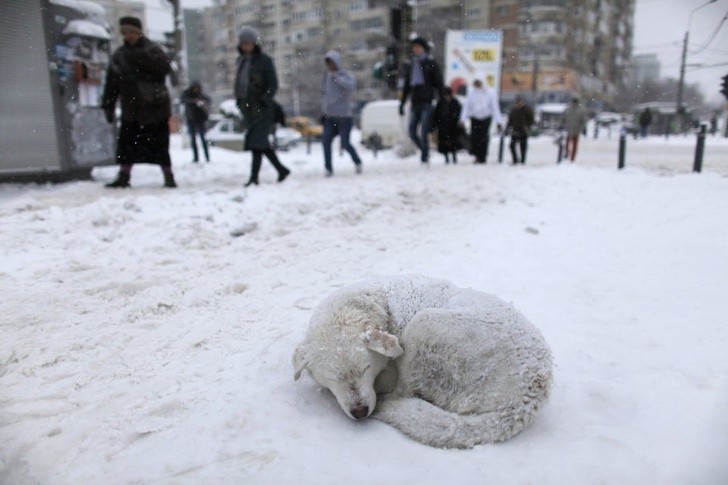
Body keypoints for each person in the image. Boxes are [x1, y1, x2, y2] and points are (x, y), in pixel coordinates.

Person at [102, 16, 176, 188]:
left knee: (160, 145)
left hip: (154, 107)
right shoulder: (119, 56)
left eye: (132, 32)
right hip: (132, 108)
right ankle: (124, 176)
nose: (129, 36)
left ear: (139, 32)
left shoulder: (153, 51)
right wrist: (109, 105)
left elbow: (164, 69)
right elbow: (111, 83)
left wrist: (138, 58)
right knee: (127, 145)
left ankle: (168, 175)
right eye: (125, 32)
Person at [234, 26, 290, 187]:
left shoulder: (264, 60)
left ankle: (254, 178)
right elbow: (240, 84)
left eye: (248, 43)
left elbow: (273, 84)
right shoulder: (241, 61)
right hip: (248, 107)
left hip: (262, 108)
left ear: (254, 43)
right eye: (243, 43)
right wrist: (240, 101)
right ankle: (281, 170)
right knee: (259, 144)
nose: (246, 46)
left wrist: (265, 99)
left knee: (256, 143)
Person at [399, 37, 443, 164]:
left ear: (424, 48)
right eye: (414, 47)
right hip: (415, 102)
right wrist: (402, 103)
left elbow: (438, 83)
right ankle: (425, 151)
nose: (416, 49)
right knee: (412, 131)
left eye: (418, 47)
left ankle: (424, 158)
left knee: (424, 131)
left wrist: (441, 100)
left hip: (427, 102)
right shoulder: (411, 65)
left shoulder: (430, 63)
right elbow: (407, 86)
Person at [321, 50, 363, 176]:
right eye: (328, 63)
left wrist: (336, 77)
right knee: (326, 141)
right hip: (330, 117)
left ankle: (358, 162)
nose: (330, 66)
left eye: (332, 63)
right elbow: (325, 94)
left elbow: (351, 87)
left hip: (344, 117)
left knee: (345, 144)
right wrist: (323, 111)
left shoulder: (346, 75)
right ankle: (328, 168)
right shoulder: (326, 76)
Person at [459, 78, 503, 164]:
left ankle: (482, 156)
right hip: (475, 117)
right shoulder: (472, 93)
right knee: (475, 137)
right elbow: (467, 106)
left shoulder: (490, 93)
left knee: (483, 137)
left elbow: (495, 107)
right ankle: (476, 155)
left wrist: (499, 121)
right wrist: (462, 119)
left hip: (486, 117)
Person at [180, 80, 211, 163]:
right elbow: (183, 100)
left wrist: (201, 102)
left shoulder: (201, 95)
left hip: (200, 119)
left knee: (202, 138)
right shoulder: (187, 94)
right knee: (193, 139)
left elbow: (208, 100)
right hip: (191, 119)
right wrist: (193, 101)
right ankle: (196, 158)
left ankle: (207, 157)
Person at [433, 87, 462, 164]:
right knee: (444, 143)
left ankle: (454, 156)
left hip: (453, 126)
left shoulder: (455, 102)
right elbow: (436, 115)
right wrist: (436, 126)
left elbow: (459, 113)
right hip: (443, 127)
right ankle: (446, 157)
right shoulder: (440, 104)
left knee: (453, 142)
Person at [505, 95, 534, 165]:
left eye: (519, 102)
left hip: (523, 131)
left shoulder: (527, 110)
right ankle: (515, 160)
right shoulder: (514, 110)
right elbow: (510, 120)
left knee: (523, 147)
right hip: (515, 131)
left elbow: (531, 119)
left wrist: (527, 126)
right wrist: (507, 128)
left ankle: (523, 161)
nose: (518, 104)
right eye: (517, 102)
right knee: (512, 145)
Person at [561, 96, 588, 162]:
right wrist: (584, 128)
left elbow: (563, 118)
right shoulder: (580, 110)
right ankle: (571, 157)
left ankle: (568, 155)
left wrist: (561, 125)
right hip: (575, 129)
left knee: (568, 143)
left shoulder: (568, 109)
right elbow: (584, 120)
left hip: (571, 128)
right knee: (573, 144)